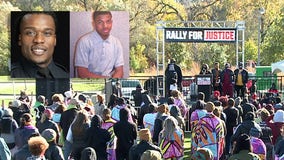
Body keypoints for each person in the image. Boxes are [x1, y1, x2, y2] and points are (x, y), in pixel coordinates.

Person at [11, 11, 69, 78]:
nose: (39, 40)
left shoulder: (66, 76)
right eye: (30, 33)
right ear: (20, 39)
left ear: (55, 40)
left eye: (47, 33)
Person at [75, 11, 124, 78]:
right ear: (94, 24)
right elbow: (82, 73)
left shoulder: (116, 43)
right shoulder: (84, 41)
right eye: (100, 22)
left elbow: (120, 70)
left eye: (108, 21)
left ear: (111, 22)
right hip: (89, 84)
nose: (105, 26)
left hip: (109, 83)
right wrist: (106, 81)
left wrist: (113, 82)